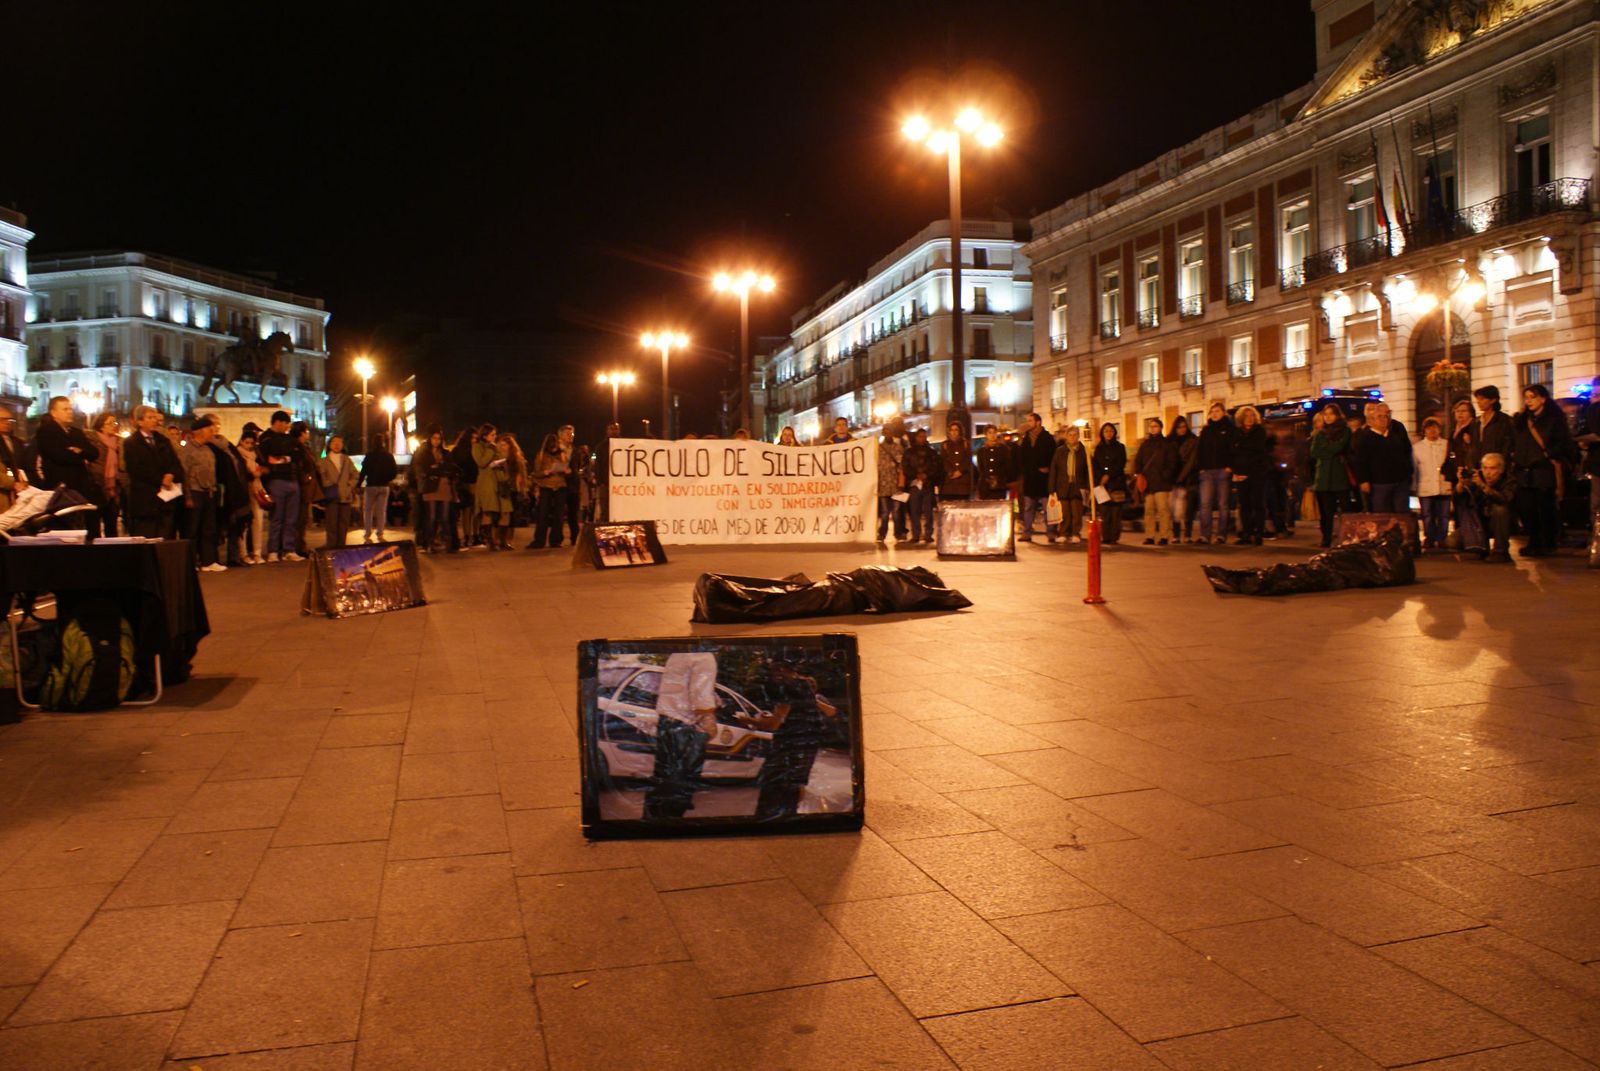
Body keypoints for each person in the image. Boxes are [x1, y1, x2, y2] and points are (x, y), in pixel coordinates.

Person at [753, 662, 840, 820]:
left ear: (782, 670)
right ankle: (789, 817)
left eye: (774, 670)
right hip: (807, 744)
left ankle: (769, 820)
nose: (772, 675)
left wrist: (750, 721)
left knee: (775, 786)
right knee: (794, 785)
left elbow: (775, 723)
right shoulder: (804, 688)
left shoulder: (786, 688)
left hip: (788, 745)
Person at [642, 652, 717, 819]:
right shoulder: (704, 657)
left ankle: (651, 821)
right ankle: (669, 823)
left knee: (663, 777)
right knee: (679, 782)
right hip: (686, 726)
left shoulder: (677, 655)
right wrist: (709, 720)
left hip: (667, 721)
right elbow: (700, 696)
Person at [1511, 382, 1575, 557]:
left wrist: (1549, 453)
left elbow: (1564, 442)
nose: (1529, 401)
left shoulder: (1554, 419)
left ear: (1543, 399)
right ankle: (1534, 540)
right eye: (1526, 397)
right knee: (1526, 508)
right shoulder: (1522, 420)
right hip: (1524, 471)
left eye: (1533, 397)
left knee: (1545, 507)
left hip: (1544, 470)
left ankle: (1548, 542)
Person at [35, 395, 102, 538]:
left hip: (81, 486)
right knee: (64, 527)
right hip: (61, 487)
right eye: (65, 409)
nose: (70, 412)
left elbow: (94, 453)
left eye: (70, 409)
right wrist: (80, 455)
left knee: (89, 524)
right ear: (53, 412)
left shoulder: (76, 432)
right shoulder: (46, 431)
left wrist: (80, 451)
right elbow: (59, 455)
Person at [124, 405, 183, 539]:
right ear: (140, 422)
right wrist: (160, 479)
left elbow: (175, 462)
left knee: (165, 536)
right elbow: (135, 469)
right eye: (150, 418)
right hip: (145, 500)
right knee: (147, 537)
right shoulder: (131, 443)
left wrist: (171, 474)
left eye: (155, 418)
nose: (154, 421)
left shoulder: (163, 441)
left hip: (166, 499)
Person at [256, 410, 303, 561]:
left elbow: (297, 454)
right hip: (276, 480)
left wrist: (281, 458)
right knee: (277, 517)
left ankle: (289, 549)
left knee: (291, 518)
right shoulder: (266, 438)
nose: (287, 427)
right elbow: (268, 458)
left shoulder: (289, 439)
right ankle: (273, 550)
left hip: (292, 479)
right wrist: (286, 458)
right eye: (286, 423)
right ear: (278, 422)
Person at [180, 417, 225, 571]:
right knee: (192, 529)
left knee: (208, 528)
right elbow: (184, 474)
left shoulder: (208, 449)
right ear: (199, 431)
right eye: (208, 429)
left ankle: (208, 561)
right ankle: (190, 562)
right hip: (194, 491)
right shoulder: (187, 451)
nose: (211, 432)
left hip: (209, 492)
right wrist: (187, 496)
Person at [1352, 402, 1412, 513]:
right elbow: (1361, 461)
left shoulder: (1395, 435)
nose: (1383, 419)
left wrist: (1408, 472)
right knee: (1382, 514)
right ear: (1372, 420)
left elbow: (1406, 452)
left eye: (1386, 416)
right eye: (1380, 416)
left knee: (1401, 513)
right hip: (1379, 483)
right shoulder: (1365, 438)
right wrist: (1363, 480)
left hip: (1400, 481)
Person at [1308, 402, 1354, 548]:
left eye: (1331, 414)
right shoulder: (1320, 433)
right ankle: (1326, 537)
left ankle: (1347, 537)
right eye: (1325, 414)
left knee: (1346, 509)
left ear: (1337, 415)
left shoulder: (1345, 431)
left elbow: (1339, 447)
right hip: (1323, 479)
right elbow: (1314, 452)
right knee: (1326, 513)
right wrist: (1332, 452)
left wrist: (1327, 451)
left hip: (1340, 477)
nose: (1327, 417)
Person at [1195, 401, 1236, 544]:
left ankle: (1221, 535)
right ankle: (1205, 535)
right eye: (1212, 412)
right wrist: (1200, 468)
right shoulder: (1206, 430)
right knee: (1205, 504)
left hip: (1223, 471)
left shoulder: (1230, 429)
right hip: (1207, 472)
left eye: (1217, 411)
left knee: (1223, 505)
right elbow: (1199, 450)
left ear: (1223, 413)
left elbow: (1233, 449)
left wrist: (1230, 466)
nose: (1214, 414)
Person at [1228, 406, 1270, 545]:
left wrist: (1242, 447)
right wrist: (1237, 469)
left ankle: (1259, 533)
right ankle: (1247, 533)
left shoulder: (1260, 431)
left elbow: (1258, 450)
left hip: (1257, 472)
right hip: (1240, 473)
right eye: (1246, 416)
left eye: (1252, 416)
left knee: (1258, 503)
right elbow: (1233, 451)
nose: (1249, 418)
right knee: (1244, 504)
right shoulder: (1236, 433)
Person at [413, 427, 458, 553]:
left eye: (439, 438)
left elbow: (451, 468)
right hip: (430, 488)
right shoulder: (423, 453)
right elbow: (423, 469)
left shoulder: (446, 453)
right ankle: (429, 543)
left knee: (444, 517)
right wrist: (436, 469)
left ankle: (448, 543)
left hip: (444, 487)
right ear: (429, 439)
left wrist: (436, 469)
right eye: (434, 438)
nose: (437, 441)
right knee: (431, 517)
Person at [1133, 416, 1177, 545]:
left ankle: (1164, 536)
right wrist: (1139, 473)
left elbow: (1172, 462)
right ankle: (1150, 536)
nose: (1153, 429)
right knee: (1149, 511)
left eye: (1155, 426)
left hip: (1162, 483)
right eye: (1151, 426)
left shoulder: (1167, 444)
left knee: (1163, 510)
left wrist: (1165, 475)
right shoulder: (1145, 445)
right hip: (1148, 483)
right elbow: (1138, 461)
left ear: (1161, 428)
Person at [1013, 412, 1055, 543]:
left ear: (1038, 422)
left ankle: (1051, 532)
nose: (1028, 423)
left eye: (1031, 421)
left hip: (1043, 479)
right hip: (1030, 479)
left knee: (1048, 508)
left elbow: (1053, 457)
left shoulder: (1047, 438)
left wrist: (1047, 467)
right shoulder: (1026, 439)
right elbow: (1021, 458)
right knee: (1028, 507)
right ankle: (1027, 532)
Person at [1471, 452, 1518, 562]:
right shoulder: (1478, 478)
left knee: (1500, 509)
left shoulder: (1509, 480)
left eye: (1492, 468)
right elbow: (1462, 501)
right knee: (1452, 541)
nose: (1488, 473)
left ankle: (1500, 551)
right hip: (1481, 523)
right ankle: (1480, 547)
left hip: (1501, 523)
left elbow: (1504, 499)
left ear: (1501, 470)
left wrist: (1484, 487)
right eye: (1485, 468)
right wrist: (1460, 485)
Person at [472, 423, 512, 551]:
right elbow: (481, 462)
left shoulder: (495, 447)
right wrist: (490, 450)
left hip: (500, 481)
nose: (495, 437)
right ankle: (490, 542)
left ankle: (502, 541)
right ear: (484, 435)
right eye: (492, 435)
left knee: (505, 510)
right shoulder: (477, 447)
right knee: (488, 511)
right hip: (487, 482)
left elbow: (501, 460)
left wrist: (502, 463)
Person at [1048, 424, 1090, 544]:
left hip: (1078, 485)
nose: (1072, 437)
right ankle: (1063, 533)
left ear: (1078, 436)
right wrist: (1051, 488)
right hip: (1063, 485)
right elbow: (1054, 470)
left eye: (1075, 435)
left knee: (1077, 512)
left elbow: (1088, 470)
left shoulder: (1083, 451)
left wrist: (1087, 486)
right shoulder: (1060, 451)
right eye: (1070, 435)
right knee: (1064, 512)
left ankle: (1075, 533)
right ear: (1066, 436)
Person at [1414, 417, 1451, 550]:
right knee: (1427, 514)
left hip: (1443, 485)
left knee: (1444, 514)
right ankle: (1429, 537)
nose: (1432, 431)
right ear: (1424, 431)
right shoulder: (1417, 448)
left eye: (1435, 428)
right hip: (1425, 486)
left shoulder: (1446, 445)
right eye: (1429, 428)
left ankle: (1442, 538)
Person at [529, 432, 569, 548]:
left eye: (555, 445)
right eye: (552, 446)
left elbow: (567, 469)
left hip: (560, 487)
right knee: (542, 514)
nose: (554, 448)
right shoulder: (541, 455)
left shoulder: (562, 454)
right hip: (545, 487)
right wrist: (545, 472)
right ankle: (539, 540)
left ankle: (555, 540)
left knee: (559, 515)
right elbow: (535, 473)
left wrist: (566, 471)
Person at [1091, 422, 1128, 544]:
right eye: (1106, 431)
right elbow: (1095, 465)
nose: (1108, 433)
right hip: (1102, 485)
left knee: (1116, 513)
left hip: (1116, 483)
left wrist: (1109, 475)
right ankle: (1105, 536)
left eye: (1111, 431)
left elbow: (1120, 464)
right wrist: (1100, 477)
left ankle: (1114, 537)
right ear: (1102, 433)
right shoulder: (1098, 448)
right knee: (1104, 512)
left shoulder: (1120, 447)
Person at [901, 427, 940, 543]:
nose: (922, 439)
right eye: (920, 436)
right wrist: (916, 475)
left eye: (924, 436)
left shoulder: (931, 452)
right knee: (914, 511)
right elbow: (905, 467)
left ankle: (928, 534)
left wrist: (926, 475)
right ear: (916, 437)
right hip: (914, 485)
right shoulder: (909, 452)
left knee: (928, 511)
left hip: (928, 485)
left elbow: (936, 467)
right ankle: (916, 534)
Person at [87, 412, 123, 537]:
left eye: (115, 423)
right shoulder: (93, 441)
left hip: (114, 490)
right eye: (110, 423)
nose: (114, 426)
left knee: (112, 525)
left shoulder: (118, 443)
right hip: (97, 487)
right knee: (93, 526)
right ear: (101, 426)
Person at [357, 433, 398, 543]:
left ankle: (367, 533)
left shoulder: (369, 455)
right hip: (384, 486)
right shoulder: (389, 455)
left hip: (371, 486)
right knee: (381, 511)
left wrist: (358, 484)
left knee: (368, 510)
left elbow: (363, 471)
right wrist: (386, 479)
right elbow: (394, 472)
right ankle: (380, 533)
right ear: (383, 442)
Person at [875, 418, 908, 543]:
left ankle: (898, 534)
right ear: (883, 433)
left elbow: (901, 467)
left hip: (896, 485)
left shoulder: (898, 448)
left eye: (889, 431)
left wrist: (901, 482)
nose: (887, 433)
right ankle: (882, 533)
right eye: (885, 431)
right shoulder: (878, 448)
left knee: (896, 512)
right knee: (884, 513)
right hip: (883, 485)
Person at [1169, 416, 1198, 543]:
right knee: (1174, 508)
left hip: (1189, 479)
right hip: (1173, 479)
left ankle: (1188, 534)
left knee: (1188, 508)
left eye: (1184, 426)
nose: (1182, 429)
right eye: (1179, 427)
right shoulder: (1169, 441)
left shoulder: (1193, 441)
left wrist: (1181, 477)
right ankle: (1176, 535)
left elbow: (1192, 461)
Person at [292, 421, 319, 555]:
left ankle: (300, 544)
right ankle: (298, 546)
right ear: (302, 433)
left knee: (303, 518)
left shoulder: (303, 447)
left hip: (305, 487)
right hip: (302, 487)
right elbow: (301, 466)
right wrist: (305, 478)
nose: (308, 434)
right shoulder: (297, 447)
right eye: (306, 431)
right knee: (300, 518)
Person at [451, 428, 480, 548]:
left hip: (469, 482)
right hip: (469, 482)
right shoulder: (468, 450)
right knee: (470, 510)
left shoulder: (458, 450)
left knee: (471, 511)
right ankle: (471, 535)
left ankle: (471, 535)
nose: (474, 440)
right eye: (473, 438)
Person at [976, 424, 1015, 503]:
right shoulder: (981, 451)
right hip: (985, 486)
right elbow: (981, 468)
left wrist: (1001, 478)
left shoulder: (1003, 449)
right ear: (986, 435)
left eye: (994, 432)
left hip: (1000, 485)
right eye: (989, 433)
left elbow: (1007, 466)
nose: (992, 435)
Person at [0, 406, 28, 512]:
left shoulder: (6, 441)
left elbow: (10, 466)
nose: (7, 422)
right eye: (3, 419)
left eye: (9, 420)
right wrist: (13, 483)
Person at [939, 422, 974, 502]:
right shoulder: (945, 444)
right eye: (951, 430)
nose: (954, 432)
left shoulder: (966, 444)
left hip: (963, 483)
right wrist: (951, 471)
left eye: (956, 430)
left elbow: (968, 459)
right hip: (949, 483)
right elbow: (944, 460)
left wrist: (960, 471)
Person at [558, 424, 581, 543]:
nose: (570, 436)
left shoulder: (576, 450)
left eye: (572, 434)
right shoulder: (556, 449)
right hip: (560, 483)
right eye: (567, 434)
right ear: (560, 435)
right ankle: (557, 539)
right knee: (559, 513)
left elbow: (578, 466)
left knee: (573, 514)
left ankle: (575, 538)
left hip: (573, 485)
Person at [595, 421, 619, 523]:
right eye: (611, 429)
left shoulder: (625, 445)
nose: (613, 431)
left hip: (620, 484)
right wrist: (600, 482)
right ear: (607, 431)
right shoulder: (601, 447)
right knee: (605, 510)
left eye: (616, 429)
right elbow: (598, 466)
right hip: (605, 483)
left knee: (618, 510)